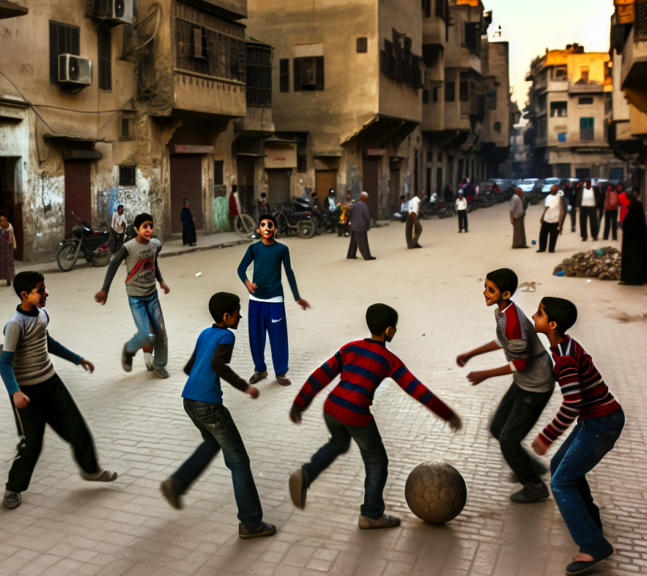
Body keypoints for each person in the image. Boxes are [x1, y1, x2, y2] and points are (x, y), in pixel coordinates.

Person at [288, 303, 461, 529]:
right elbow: (417, 390)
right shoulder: (389, 360)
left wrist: (300, 403)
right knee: (377, 461)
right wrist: (447, 414)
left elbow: (320, 375)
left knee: (339, 443)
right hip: (355, 413)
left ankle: (306, 473)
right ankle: (371, 514)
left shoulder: (350, 348)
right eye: (395, 327)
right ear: (388, 330)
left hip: (331, 408)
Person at [160, 292, 277, 539]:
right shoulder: (227, 335)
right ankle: (250, 522)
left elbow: (189, 367)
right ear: (227, 316)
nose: (240, 315)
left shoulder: (205, 333)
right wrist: (246, 387)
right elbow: (218, 365)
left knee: (212, 442)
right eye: (237, 312)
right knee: (239, 461)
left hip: (189, 401)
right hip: (209, 406)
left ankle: (178, 482)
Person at [0, 271, 116, 510]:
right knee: (32, 445)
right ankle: (13, 488)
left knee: (77, 428)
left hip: (51, 383)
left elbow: (47, 343)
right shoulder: (15, 324)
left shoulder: (42, 314)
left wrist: (77, 359)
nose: (46, 293)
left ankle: (91, 471)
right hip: (27, 393)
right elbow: (4, 363)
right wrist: (15, 392)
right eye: (40, 290)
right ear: (25, 294)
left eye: (44, 288)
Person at [530, 297, 624, 575]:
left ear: (553, 324)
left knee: (560, 482)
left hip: (601, 423)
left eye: (539, 314)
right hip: (595, 420)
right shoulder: (564, 345)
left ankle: (593, 545)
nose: (534, 317)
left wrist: (547, 436)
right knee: (562, 469)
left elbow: (572, 404)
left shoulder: (566, 358)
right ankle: (591, 522)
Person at [456, 269, 555, 502]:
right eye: (485, 287)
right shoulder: (503, 311)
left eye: (491, 290)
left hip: (537, 385)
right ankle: (532, 467)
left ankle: (534, 486)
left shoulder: (513, 319)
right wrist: (472, 353)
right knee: (498, 428)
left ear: (506, 293)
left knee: (509, 442)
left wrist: (485, 374)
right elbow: (503, 339)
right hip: (523, 383)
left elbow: (520, 363)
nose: (485, 293)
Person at [237, 214, 310, 386]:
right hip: (255, 299)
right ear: (258, 230)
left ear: (274, 228)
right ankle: (260, 370)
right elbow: (241, 269)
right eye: (263, 225)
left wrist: (297, 296)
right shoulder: (254, 249)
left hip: (275, 299)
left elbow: (289, 272)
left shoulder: (282, 249)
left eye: (270, 225)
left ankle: (280, 372)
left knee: (278, 337)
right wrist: (247, 284)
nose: (267, 228)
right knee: (256, 336)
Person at [95, 213, 170, 377]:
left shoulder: (155, 245)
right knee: (144, 334)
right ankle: (129, 350)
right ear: (137, 229)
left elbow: (153, 264)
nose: (148, 229)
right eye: (145, 226)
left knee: (161, 331)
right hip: (136, 297)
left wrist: (161, 281)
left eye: (150, 226)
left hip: (152, 295)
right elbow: (113, 265)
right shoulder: (128, 247)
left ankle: (159, 364)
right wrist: (104, 290)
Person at [620, 190, 647, 286]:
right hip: (639, 236)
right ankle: (641, 279)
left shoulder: (633, 207)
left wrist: (625, 228)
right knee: (639, 257)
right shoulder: (637, 205)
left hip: (631, 236)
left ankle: (629, 278)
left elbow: (629, 222)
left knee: (630, 258)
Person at [536, 185, 565, 253]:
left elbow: (563, 210)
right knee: (543, 234)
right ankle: (542, 248)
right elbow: (546, 208)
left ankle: (551, 249)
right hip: (547, 218)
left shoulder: (560, 198)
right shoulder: (548, 197)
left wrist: (561, 222)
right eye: (552, 190)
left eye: (554, 190)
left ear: (557, 190)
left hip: (556, 219)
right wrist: (542, 217)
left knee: (553, 235)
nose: (553, 191)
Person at [347, 192, 375, 261]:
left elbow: (350, 214)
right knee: (363, 242)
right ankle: (367, 256)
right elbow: (367, 217)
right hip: (361, 226)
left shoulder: (355, 205)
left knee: (353, 241)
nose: (367, 199)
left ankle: (351, 255)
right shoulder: (363, 206)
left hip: (354, 226)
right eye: (367, 197)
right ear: (364, 197)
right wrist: (367, 224)